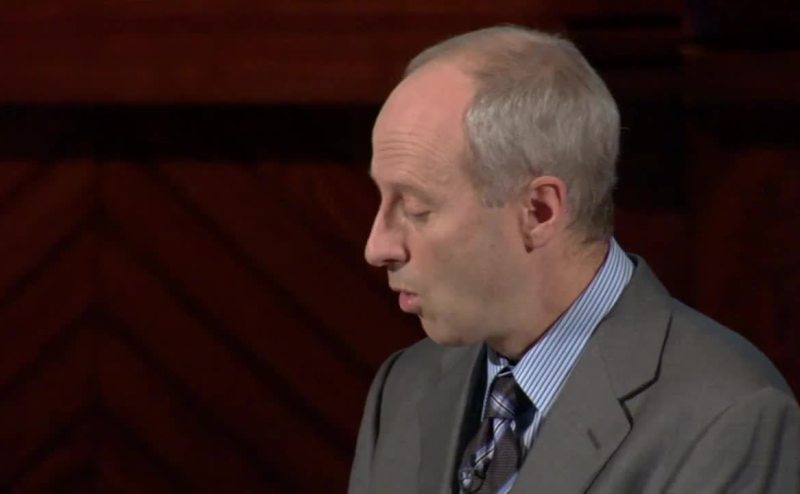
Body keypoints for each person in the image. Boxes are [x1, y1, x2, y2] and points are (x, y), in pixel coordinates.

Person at [348, 25, 800, 494]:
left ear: (539, 211)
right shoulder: (403, 386)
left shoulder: (731, 418)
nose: (376, 247)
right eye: (380, 198)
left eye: (416, 208)